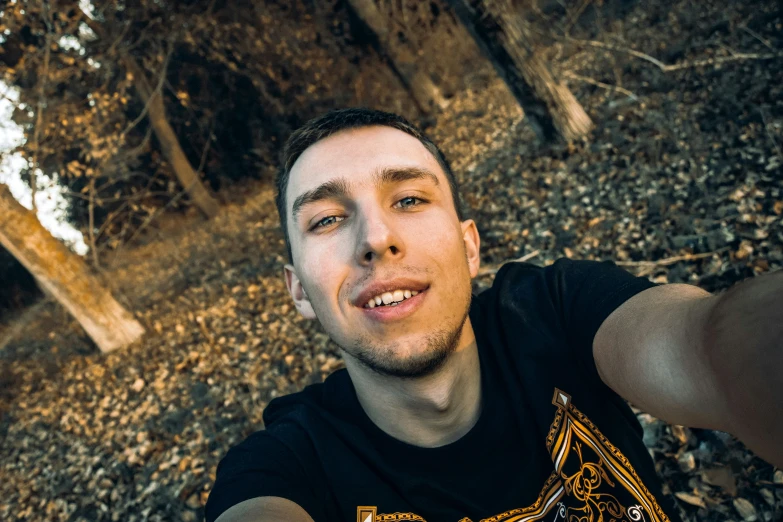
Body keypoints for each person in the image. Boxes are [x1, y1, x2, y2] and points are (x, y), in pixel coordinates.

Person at [205, 108, 782, 522]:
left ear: (470, 247)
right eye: (326, 219)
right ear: (299, 291)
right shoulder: (287, 468)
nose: (376, 239)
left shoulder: (558, 312)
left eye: (409, 199)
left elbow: (709, 345)